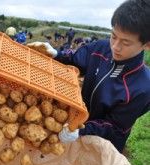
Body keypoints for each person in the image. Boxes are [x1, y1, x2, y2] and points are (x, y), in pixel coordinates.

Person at [27, 0, 150, 153]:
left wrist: (82, 130)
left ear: (147, 44)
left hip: (102, 144)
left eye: (126, 43)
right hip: (73, 123)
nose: (115, 47)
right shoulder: (102, 48)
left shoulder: (143, 87)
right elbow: (75, 61)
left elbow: (116, 127)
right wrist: (57, 54)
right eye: (113, 36)